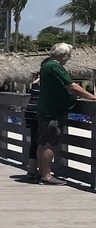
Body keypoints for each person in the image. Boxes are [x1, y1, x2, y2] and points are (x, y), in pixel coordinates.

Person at [36, 43, 96, 185]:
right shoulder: (55, 67)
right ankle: (46, 175)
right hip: (53, 112)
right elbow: (71, 86)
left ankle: (41, 172)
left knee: (43, 142)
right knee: (50, 143)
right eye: (68, 55)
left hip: (45, 109)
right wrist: (92, 97)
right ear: (63, 55)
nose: (68, 58)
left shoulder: (46, 65)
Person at [24, 76, 41, 181]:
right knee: (40, 142)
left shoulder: (35, 82)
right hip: (38, 111)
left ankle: (32, 170)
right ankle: (36, 171)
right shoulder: (48, 82)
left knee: (34, 141)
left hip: (30, 111)